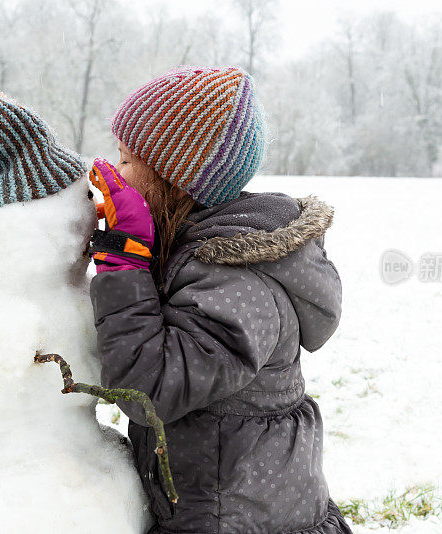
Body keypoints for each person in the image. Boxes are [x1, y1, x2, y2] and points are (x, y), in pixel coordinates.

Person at [86, 65, 352, 534]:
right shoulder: (203, 254)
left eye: (128, 160)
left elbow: (148, 388)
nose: (116, 172)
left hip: (236, 521)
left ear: (177, 179)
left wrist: (125, 261)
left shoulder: (239, 283)